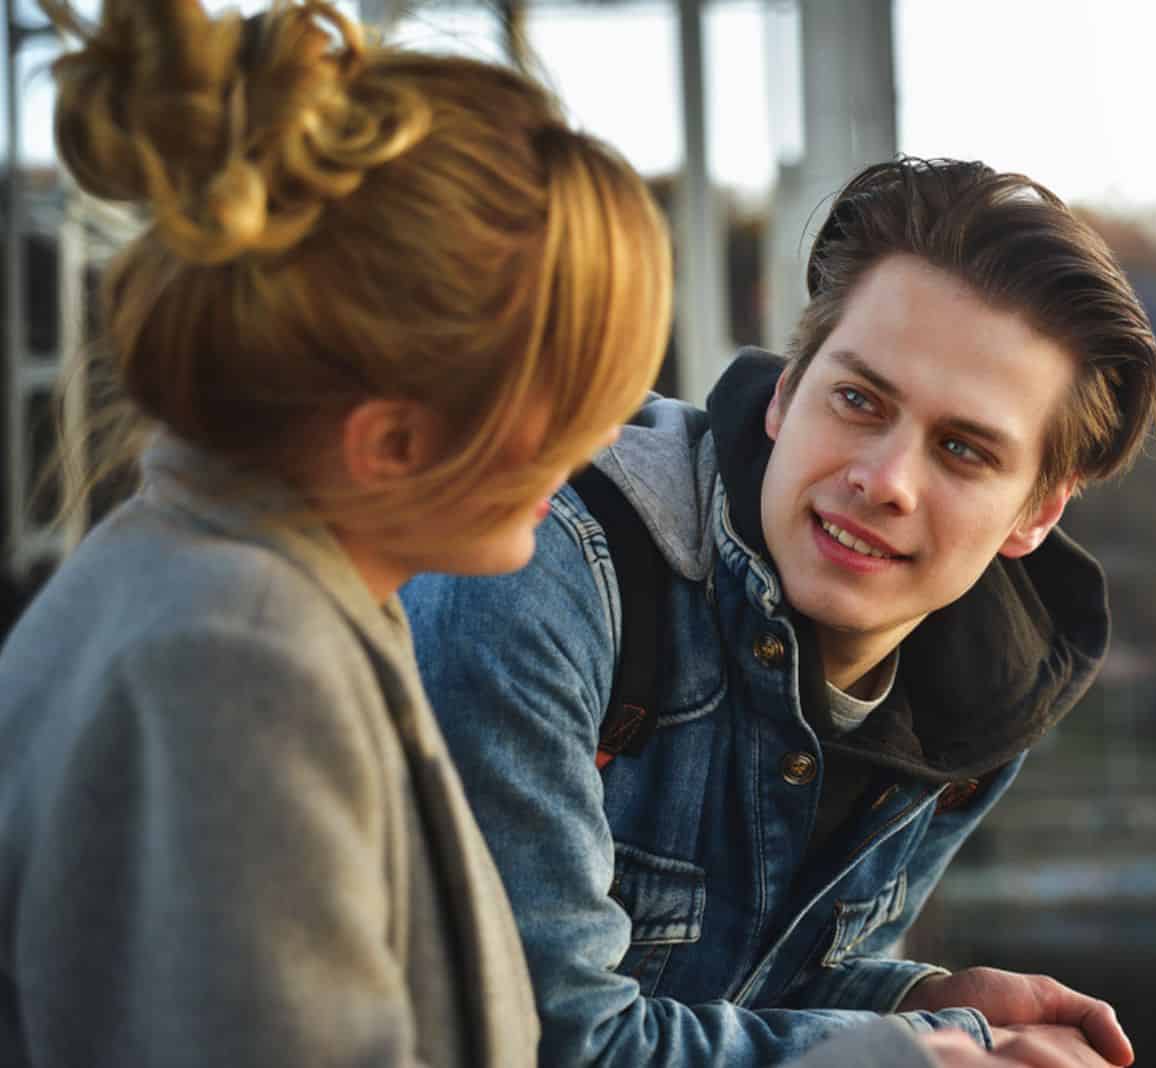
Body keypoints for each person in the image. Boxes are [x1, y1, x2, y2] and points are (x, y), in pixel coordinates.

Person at [0, 1, 673, 1064]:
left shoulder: (219, 592)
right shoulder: (238, 662)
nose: (591, 454)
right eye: (569, 405)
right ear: (393, 443)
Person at [402, 154, 1156, 1068]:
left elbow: (762, 989)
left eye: (963, 450)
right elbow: (550, 1042)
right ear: (784, 392)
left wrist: (914, 995)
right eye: (857, 399)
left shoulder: (981, 696)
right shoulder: (542, 560)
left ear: (1038, 513)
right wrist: (936, 1050)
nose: (883, 481)